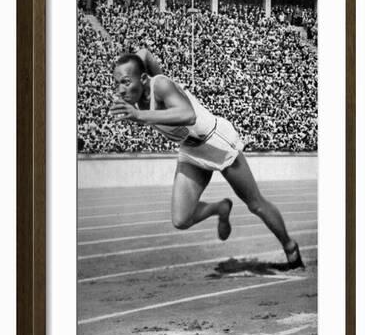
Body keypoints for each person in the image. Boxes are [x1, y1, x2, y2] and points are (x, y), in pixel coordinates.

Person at [109, 50, 305, 269]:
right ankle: (219, 208)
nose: (121, 90)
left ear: (143, 78)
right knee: (181, 219)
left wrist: (140, 115)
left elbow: (188, 115)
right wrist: (135, 67)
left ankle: (290, 247)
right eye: (117, 84)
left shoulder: (161, 85)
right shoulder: (135, 99)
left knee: (255, 204)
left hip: (215, 141)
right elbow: (143, 54)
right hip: (191, 151)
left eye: (126, 82)